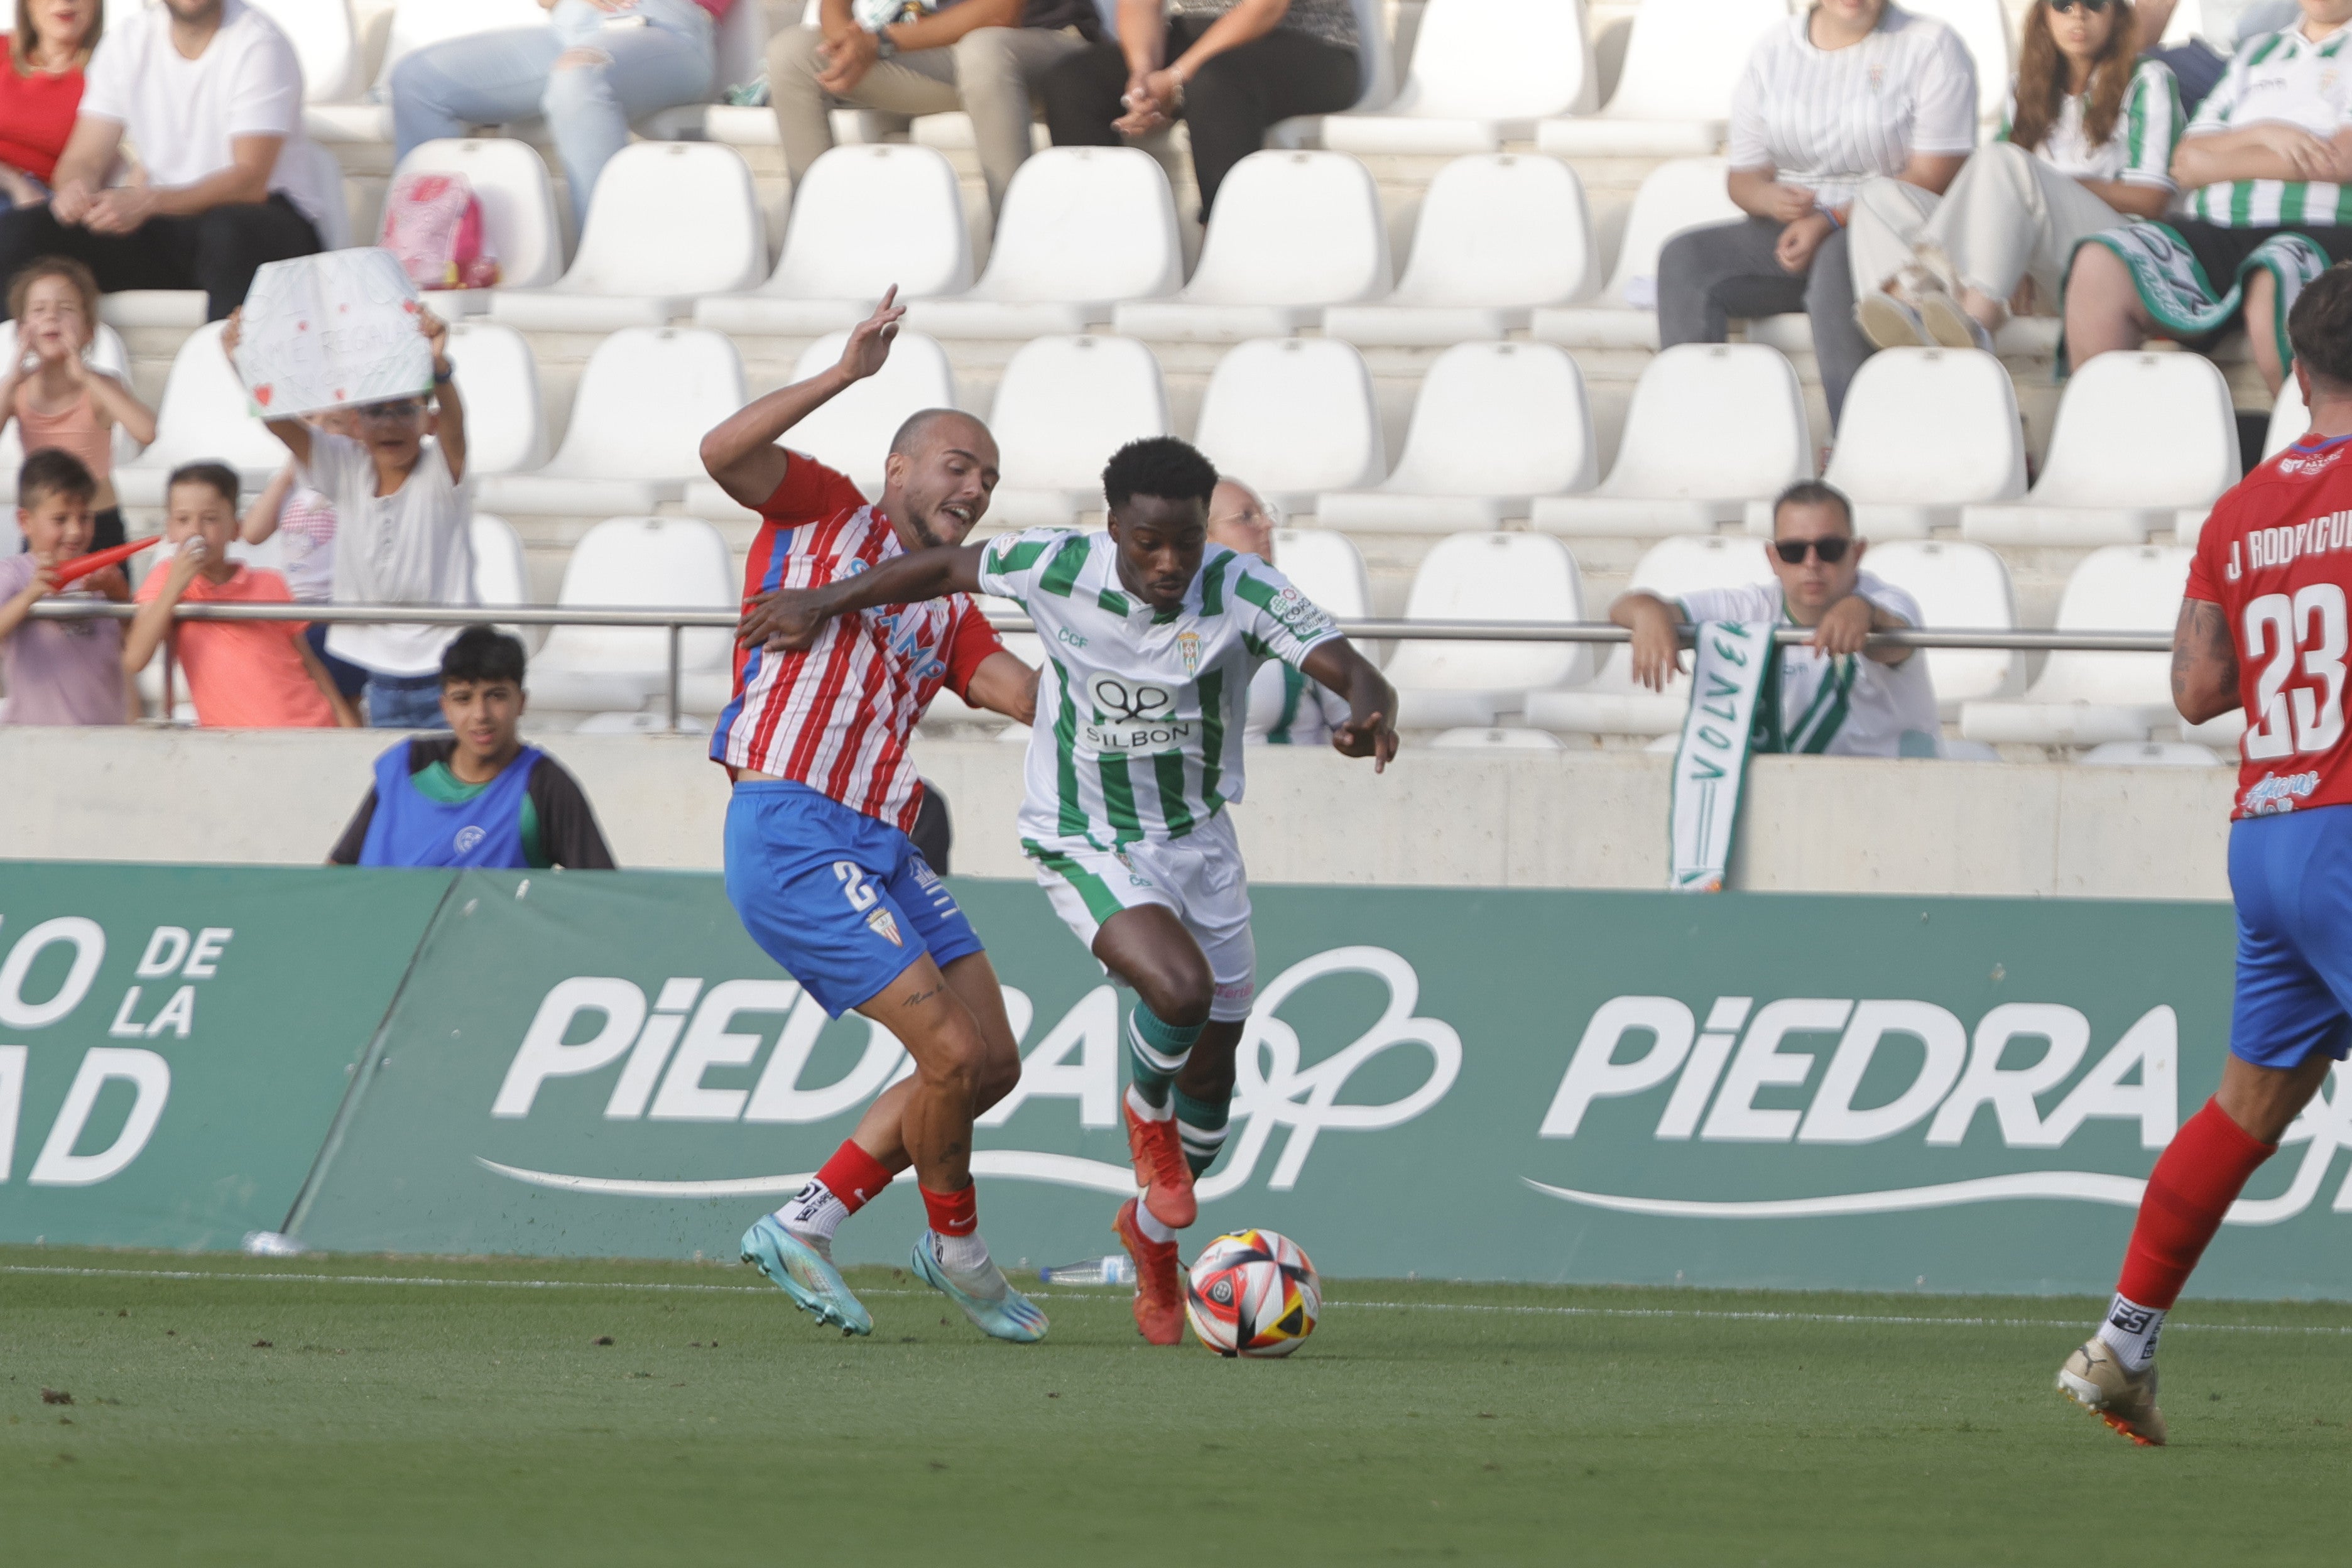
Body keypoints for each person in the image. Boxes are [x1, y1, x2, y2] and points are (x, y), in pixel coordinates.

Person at [741, 434, 1398, 1346]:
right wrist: (820, 600)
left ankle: (1153, 1236)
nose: (1168, 564)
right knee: (1173, 991)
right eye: (1146, 544)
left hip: (1201, 845)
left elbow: (1347, 664)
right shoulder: (1055, 562)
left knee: (1204, 1091)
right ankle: (1102, 1163)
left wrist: (1372, 711)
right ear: (1114, 530)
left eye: (1186, 544)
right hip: (1081, 835)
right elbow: (937, 569)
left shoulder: (1244, 587)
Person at [701, 288, 1048, 1345]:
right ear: (898, 468)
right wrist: (844, 376)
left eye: (988, 479)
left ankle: (804, 1221)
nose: (975, 489)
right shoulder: (819, 512)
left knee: (990, 1059)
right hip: (791, 827)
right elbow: (721, 450)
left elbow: (1022, 696)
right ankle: (958, 1253)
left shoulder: (942, 603)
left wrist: (1130, 668)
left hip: (882, 844)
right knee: (946, 1053)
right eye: (958, 466)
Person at [2054, 264, 2352, 1446]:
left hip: (2267, 832)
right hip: (2344, 823)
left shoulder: (2239, 510)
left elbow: (2193, 688)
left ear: (2288, 371)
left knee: (2245, 1105)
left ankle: (2118, 1349)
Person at [1657, 0, 1978, 428]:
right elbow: (1744, 177)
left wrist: (1829, 221)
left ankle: (1857, 442)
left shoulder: (1932, 46)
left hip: (1889, 233)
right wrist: (1770, 200)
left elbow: (1934, 176)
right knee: (1686, 261)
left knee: (1836, 265)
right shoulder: (1773, 49)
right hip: (1788, 234)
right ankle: (1696, 434)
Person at [1853, 0, 2184, 353]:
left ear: (2118, 14)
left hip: (2113, 258)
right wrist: (2017, 231)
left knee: (2007, 164)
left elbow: (2151, 199)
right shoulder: (2024, 87)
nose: (2079, 15)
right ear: (2044, 14)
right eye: (2063, 5)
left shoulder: (2149, 79)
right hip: (2029, 270)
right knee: (1877, 195)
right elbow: (1997, 186)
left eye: (2094, 4)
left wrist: (2041, 188)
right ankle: (1911, 308)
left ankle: (1974, 327)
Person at [2063, 0, 2352, 395]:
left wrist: (2222, 156)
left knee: (2277, 275)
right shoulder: (2258, 52)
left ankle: (2313, 452)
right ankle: (2109, 443)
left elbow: (2338, 162)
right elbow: (2185, 161)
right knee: (2102, 264)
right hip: (2220, 231)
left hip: (2323, 229)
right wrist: (2268, 134)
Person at [224, 303, 476, 731]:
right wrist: (244, 362)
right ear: (357, 423)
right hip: (380, 677)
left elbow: (456, 425)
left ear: (426, 421)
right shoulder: (345, 469)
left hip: (447, 674)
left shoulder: (441, 472)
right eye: (378, 411)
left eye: (404, 410)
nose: (390, 423)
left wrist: (438, 367)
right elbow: (281, 425)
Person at [0, 0, 330, 324]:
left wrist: (147, 201)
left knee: (229, 230)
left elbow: (250, 182)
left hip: (270, 221)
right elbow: (85, 156)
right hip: (170, 223)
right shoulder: (129, 40)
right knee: (24, 230)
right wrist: (75, 192)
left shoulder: (259, 43)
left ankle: (224, 371)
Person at [1611, 480, 1941, 758]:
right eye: (1794, 552)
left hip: (1897, 797)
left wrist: (1866, 615)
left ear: (1856, 553)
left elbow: (1895, 633)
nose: (1812, 563)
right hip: (1795, 797)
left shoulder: (1891, 602)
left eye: (1829, 549)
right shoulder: (1751, 607)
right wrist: (1648, 614)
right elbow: (1622, 608)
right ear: (1773, 558)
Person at [391, 0, 724, 227]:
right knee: (416, 80)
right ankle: (430, 252)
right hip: (569, 27)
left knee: (578, 77)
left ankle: (608, 256)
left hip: (664, 27)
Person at [771, 0, 1099, 219]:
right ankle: (817, 239)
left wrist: (882, 41)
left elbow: (1001, 13)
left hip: (1052, 48)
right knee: (793, 53)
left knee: (985, 51)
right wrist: (845, 42)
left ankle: (1017, 242)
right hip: (948, 53)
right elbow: (835, 7)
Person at [328, 626, 617, 869]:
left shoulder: (544, 786)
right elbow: (337, 870)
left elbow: (604, 896)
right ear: (445, 708)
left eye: (496, 696)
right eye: (463, 699)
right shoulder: (407, 765)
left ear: (522, 702)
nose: (481, 715)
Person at [1042, 0, 1361, 219]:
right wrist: (1142, 75)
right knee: (1074, 81)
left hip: (1311, 45)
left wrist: (1177, 76)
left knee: (1217, 84)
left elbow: (1267, 7)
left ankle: (1224, 248)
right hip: (1195, 38)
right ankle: (1104, 243)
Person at [122, 461, 354, 728]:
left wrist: (348, 726)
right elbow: (135, 659)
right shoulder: (166, 578)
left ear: (235, 527)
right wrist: (175, 586)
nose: (196, 531)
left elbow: (309, 663)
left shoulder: (270, 582)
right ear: (170, 530)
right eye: (183, 520)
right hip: (239, 747)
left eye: (210, 519)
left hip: (312, 728)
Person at [0, 256, 156, 555]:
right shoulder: (18, 390)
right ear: (22, 329)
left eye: (66, 309)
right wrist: (10, 380)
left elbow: (146, 431)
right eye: (39, 309)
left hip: (98, 521)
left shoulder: (99, 387)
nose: (52, 317)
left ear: (89, 331)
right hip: (44, 526)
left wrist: (86, 375)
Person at [1206, 476, 1349, 746]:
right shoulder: (1158, 624)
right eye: (1246, 517)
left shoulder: (1302, 619)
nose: (1268, 525)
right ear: (1201, 537)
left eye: (1265, 514)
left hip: (1294, 783)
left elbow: (1351, 722)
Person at [241, 411, 368, 707]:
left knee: (344, 696)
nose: (319, 431)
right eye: (309, 420)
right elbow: (252, 532)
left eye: (333, 423)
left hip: (338, 609)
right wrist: (287, 476)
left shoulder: (352, 477)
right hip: (297, 611)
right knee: (305, 694)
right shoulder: (288, 483)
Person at [0, 445, 123, 722]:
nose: (76, 531)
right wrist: (29, 597)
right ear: (25, 521)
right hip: (37, 744)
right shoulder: (14, 574)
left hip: (106, 744)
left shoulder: (101, 580)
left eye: (85, 517)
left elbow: (131, 654)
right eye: (61, 519)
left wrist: (120, 596)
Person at [0, 0, 102, 214]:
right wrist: (15, 184)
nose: (66, 1)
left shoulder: (107, 75)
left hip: (45, 204)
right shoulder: (3, 49)